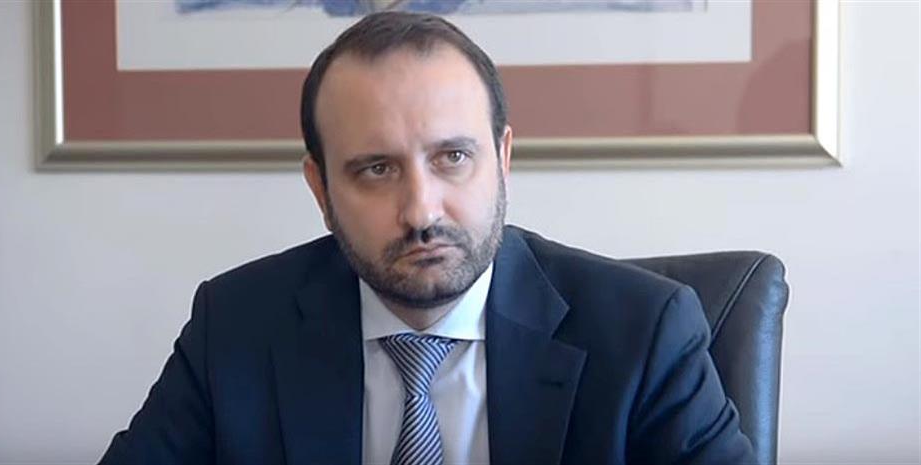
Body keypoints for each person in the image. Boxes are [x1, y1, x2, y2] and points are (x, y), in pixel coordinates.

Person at [99, 11, 756, 465]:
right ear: (320, 188)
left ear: (503, 159)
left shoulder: (645, 333)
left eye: (453, 158)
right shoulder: (235, 327)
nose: (420, 211)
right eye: (376, 169)